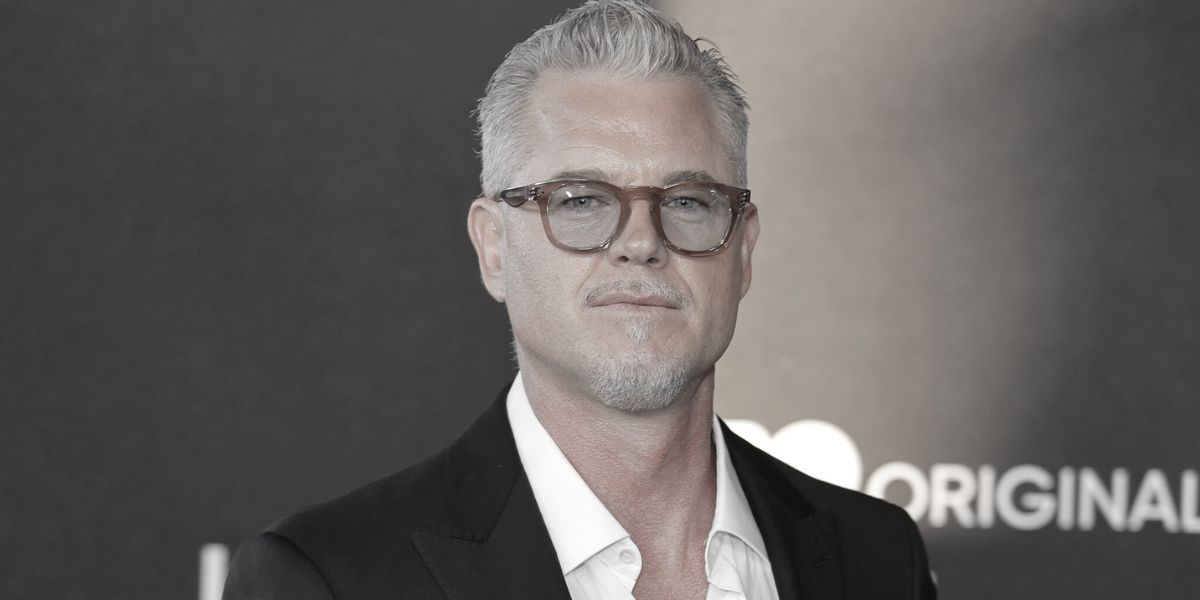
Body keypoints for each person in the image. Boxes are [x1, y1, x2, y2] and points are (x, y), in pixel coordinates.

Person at [223, 1, 936, 598]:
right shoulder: (331, 579)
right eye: (581, 200)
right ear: (493, 247)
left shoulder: (877, 559)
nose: (641, 241)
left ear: (742, 249)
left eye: (688, 200)